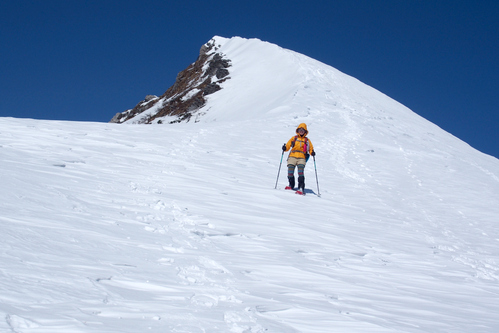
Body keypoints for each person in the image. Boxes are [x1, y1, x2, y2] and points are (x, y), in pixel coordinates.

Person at [282, 123, 315, 193]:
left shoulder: (307, 140)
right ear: (298, 130)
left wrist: (312, 152)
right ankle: (291, 184)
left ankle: (301, 187)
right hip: (292, 156)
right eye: (300, 130)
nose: (301, 131)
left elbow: (310, 148)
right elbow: (288, 145)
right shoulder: (294, 138)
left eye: (303, 130)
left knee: (301, 172)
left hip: (302, 157)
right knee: (290, 172)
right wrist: (285, 148)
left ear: (305, 131)